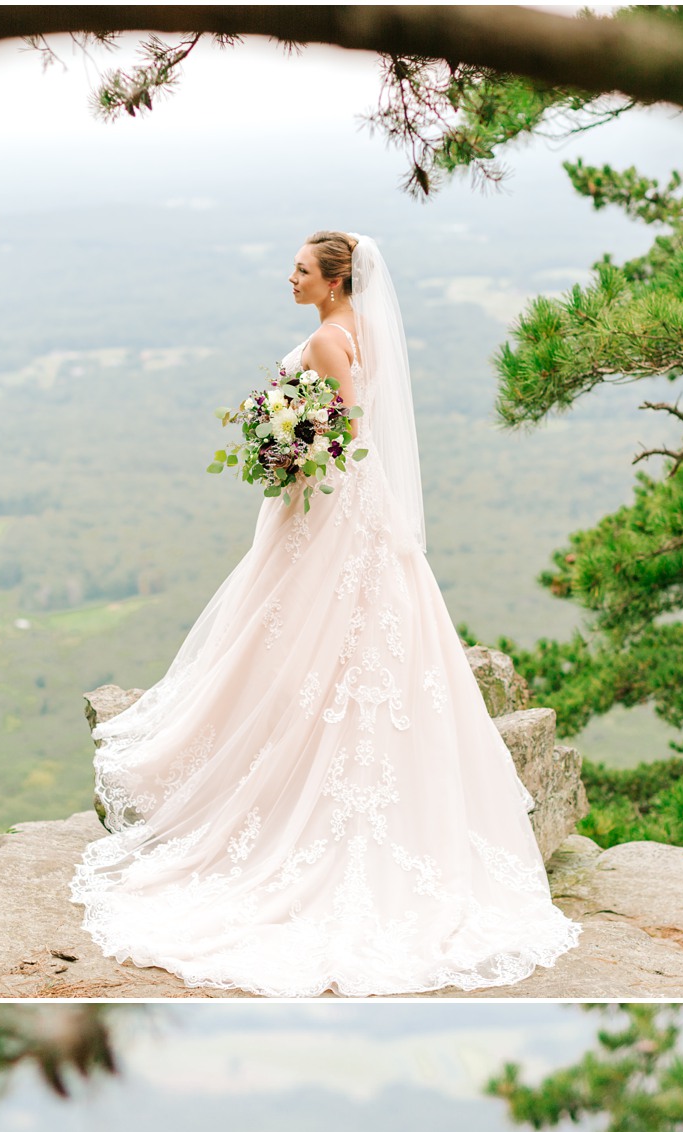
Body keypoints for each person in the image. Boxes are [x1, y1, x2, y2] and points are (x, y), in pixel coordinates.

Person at [69, 232, 580, 996]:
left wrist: (284, 443)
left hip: (332, 508)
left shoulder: (329, 339)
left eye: (302, 270)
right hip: (347, 507)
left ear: (336, 281)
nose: (291, 277)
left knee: (314, 635)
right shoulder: (360, 328)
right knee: (323, 635)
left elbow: (337, 434)